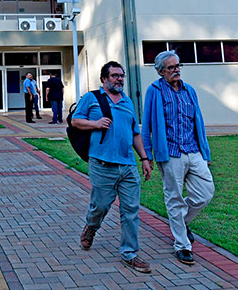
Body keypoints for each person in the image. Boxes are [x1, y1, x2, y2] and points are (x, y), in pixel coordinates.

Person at [71, 61, 153, 273]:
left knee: (131, 210)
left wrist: (144, 158)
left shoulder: (127, 101)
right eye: (115, 75)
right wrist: (95, 124)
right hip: (102, 164)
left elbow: (135, 132)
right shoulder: (92, 98)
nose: (120, 79)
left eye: (121, 75)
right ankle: (91, 226)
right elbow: (75, 121)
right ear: (104, 79)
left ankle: (130, 253)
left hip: (128, 165)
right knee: (101, 206)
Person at [142, 50, 215, 266]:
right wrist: (146, 156)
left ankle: (181, 223)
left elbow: (198, 122)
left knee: (206, 192)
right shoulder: (154, 91)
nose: (176, 70)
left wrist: (205, 152)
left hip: (193, 150)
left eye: (177, 66)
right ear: (160, 71)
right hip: (170, 153)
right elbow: (146, 126)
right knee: (174, 198)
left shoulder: (189, 91)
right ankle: (182, 245)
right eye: (171, 68)